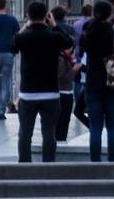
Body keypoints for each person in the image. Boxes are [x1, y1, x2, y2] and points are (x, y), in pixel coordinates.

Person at [12, 1, 69, 163]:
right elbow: (68, 42)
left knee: (25, 133)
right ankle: (48, 166)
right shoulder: (53, 36)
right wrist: (54, 25)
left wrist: (25, 26)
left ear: (28, 16)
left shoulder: (23, 37)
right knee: (49, 133)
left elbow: (12, 44)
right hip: (50, 92)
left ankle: (24, 165)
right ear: (46, 16)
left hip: (28, 93)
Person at [79, 0, 114, 164]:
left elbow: (81, 48)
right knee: (113, 127)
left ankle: (95, 161)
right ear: (110, 14)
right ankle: (113, 160)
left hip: (93, 83)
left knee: (95, 126)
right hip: (113, 81)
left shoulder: (88, 30)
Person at [50, 8, 76, 142]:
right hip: (63, 92)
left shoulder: (60, 57)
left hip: (61, 92)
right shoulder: (62, 59)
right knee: (63, 121)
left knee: (59, 122)